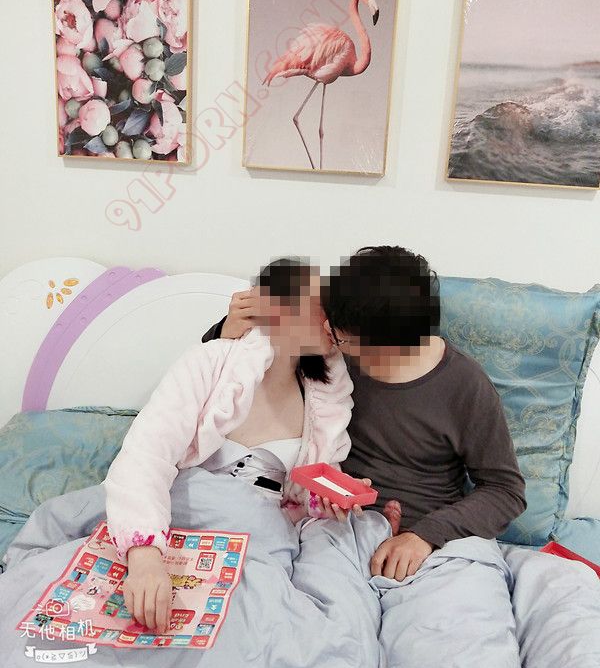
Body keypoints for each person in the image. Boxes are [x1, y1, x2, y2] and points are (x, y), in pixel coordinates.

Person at [202, 245, 527, 580]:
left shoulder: (465, 386)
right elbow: (233, 372)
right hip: (337, 531)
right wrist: (226, 331)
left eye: (343, 340)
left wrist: (425, 536)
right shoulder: (332, 352)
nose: (330, 337)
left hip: (432, 546)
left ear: (391, 346)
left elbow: (505, 491)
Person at [104, 256, 360, 636]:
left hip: (258, 541)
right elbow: (146, 455)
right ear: (273, 308)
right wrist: (144, 558)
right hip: (180, 518)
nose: (330, 318)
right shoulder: (209, 363)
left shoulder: (325, 397)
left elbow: (307, 489)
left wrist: (328, 499)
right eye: (317, 305)